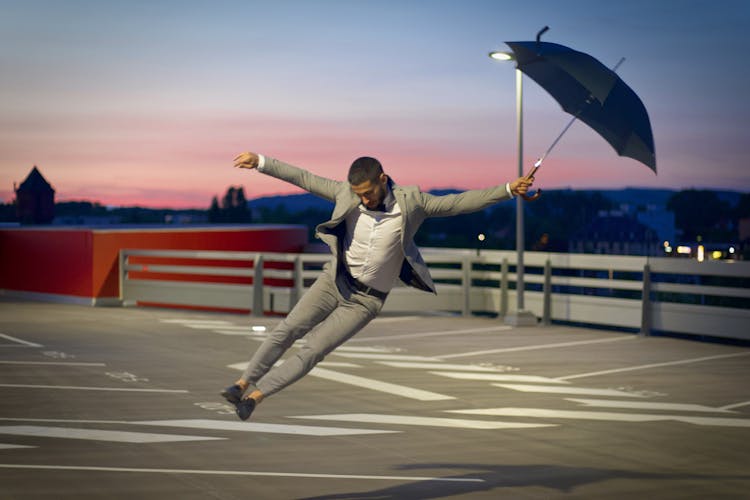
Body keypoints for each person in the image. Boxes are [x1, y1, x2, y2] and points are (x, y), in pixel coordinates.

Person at [222, 152, 534, 420]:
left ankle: (256, 397)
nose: (364, 199)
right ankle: (241, 384)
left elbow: (459, 203)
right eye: (359, 194)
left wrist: (508, 189)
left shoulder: (412, 203)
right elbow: (302, 177)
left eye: (368, 193)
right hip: (334, 281)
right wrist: (260, 161)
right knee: (287, 329)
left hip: (364, 302)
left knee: (312, 350)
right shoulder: (346, 193)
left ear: (383, 179)